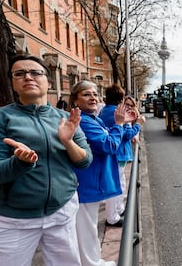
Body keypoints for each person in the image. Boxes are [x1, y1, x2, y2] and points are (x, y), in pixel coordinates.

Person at [0, 54, 93, 266]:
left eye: (35, 72)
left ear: (48, 81)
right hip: (12, 220)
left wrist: (67, 141)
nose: (28, 77)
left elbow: (85, 161)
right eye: (19, 74)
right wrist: (20, 162)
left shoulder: (65, 118)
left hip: (62, 213)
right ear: (13, 83)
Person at [70, 80, 130, 266]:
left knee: (89, 226)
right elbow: (109, 145)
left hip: (92, 181)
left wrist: (121, 125)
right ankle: (91, 263)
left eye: (95, 94)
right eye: (86, 94)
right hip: (87, 183)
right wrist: (119, 124)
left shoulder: (93, 119)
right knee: (86, 228)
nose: (93, 97)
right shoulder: (85, 122)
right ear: (75, 100)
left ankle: (94, 260)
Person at [99, 87, 145, 226]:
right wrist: (137, 125)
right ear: (121, 99)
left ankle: (119, 209)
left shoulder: (104, 111)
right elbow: (127, 135)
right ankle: (112, 217)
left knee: (120, 183)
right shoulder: (117, 113)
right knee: (116, 185)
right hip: (117, 154)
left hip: (114, 153)